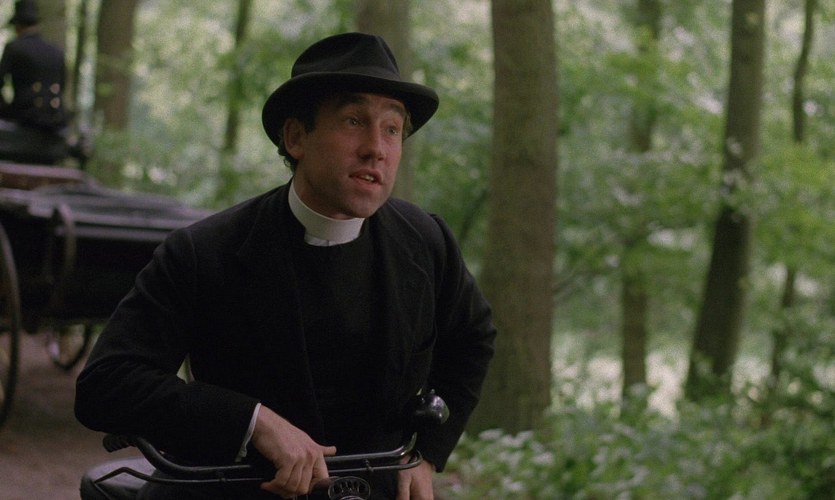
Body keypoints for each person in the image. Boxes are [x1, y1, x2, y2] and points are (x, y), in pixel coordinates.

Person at [75, 32, 496, 499]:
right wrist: (252, 421)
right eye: (354, 121)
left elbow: (473, 340)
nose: (376, 147)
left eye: (392, 128)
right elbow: (104, 386)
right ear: (296, 137)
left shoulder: (426, 241)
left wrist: (428, 453)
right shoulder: (203, 251)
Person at [0, 0, 66, 131]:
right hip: (55, 118)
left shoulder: (14, 48)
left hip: (23, 116)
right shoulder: (56, 51)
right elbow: (62, 85)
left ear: (18, 26)